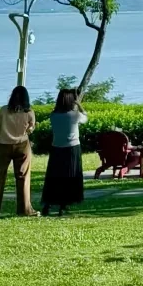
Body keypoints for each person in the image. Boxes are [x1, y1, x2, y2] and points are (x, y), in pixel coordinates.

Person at [0, 85, 38, 217]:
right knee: (23, 177)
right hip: (22, 145)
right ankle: (25, 210)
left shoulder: (3, 110)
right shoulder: (29, 111)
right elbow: (30, 129)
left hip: (3, 145)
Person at [41, 87, 87, 216]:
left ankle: (48, 204)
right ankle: (64, 204)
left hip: (56, 148)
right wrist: (79, 105)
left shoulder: (53, 115)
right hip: (72, 148)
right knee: (70, 176)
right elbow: (85, 118)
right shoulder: (75, 115)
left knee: (54, 177)